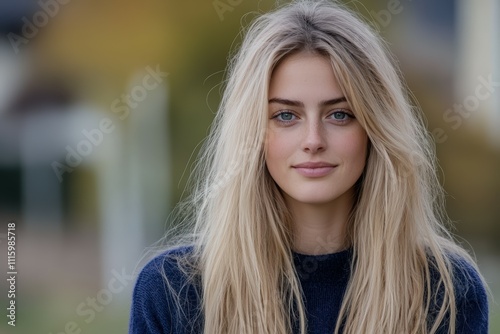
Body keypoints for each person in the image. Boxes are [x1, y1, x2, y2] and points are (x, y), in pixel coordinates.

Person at [129, 1, 489, 333]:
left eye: (339, 114)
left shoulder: (448, 293)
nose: (313, 140)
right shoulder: (171, 291)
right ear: (252, 130)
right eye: (286, 115)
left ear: (374, 128)